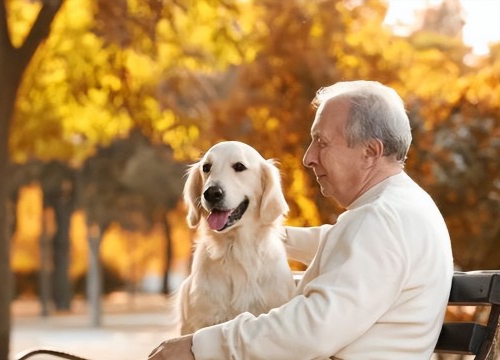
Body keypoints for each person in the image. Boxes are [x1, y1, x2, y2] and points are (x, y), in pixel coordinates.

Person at [148, 80, 454, 359]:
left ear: (370, 152)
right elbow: (339, 243)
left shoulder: (382, 220)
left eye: (321, 142)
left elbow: (313, 329)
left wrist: (198, 346)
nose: (308, 157)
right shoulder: (401, 207)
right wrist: (257, 231)